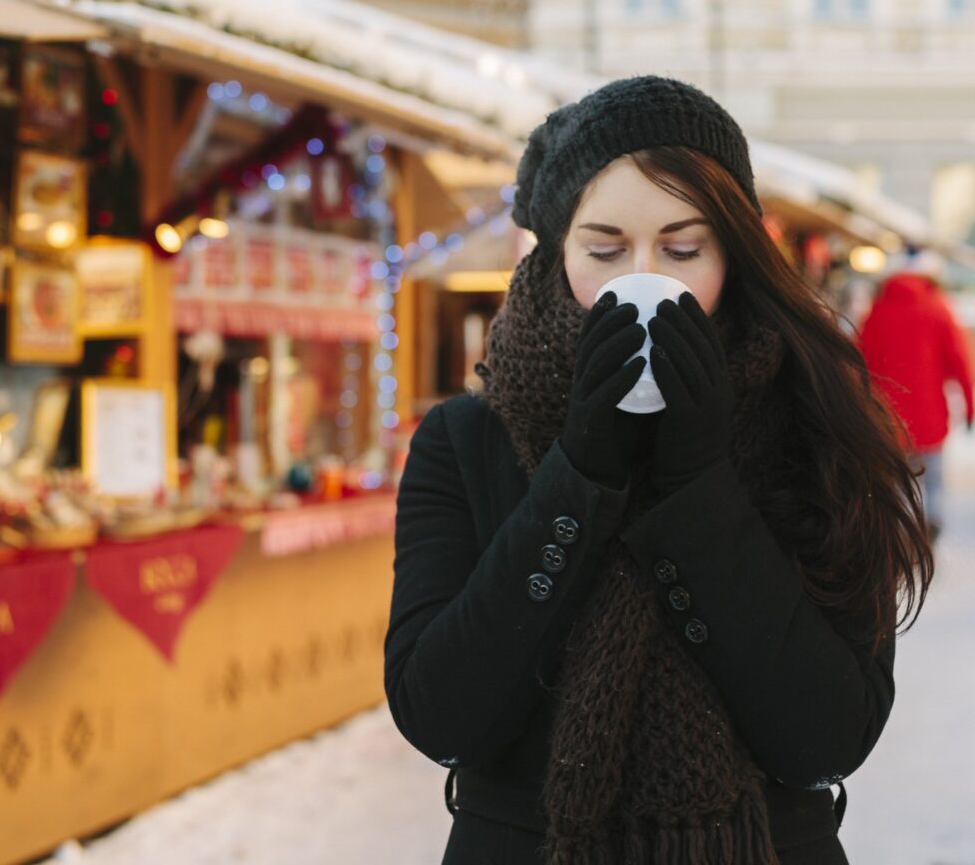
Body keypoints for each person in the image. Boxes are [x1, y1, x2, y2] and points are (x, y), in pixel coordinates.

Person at [385, 76, 933, 865]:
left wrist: (698, 487)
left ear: (735, 258)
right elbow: (440, 715)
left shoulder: (817, 426)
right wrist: (578, 475)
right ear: (556, 255)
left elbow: (828, 736)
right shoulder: (466, 440)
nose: (642, 279)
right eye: (604, 250)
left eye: (682, 250)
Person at [859, 249, 974, 541]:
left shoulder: (877, 311)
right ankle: (930, 521)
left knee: (896, 480)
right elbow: (961, 361)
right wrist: (971, 405)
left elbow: (859, 362)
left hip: (887, 418)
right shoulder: (939, 308)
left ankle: (901, 530)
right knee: (932, 479)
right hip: (930, 416)